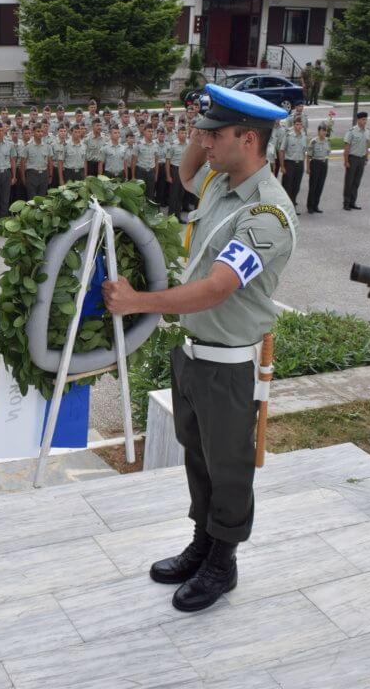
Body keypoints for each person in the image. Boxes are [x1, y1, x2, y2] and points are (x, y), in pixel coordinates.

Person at [102, 83, 296, 613]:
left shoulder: (267, 215)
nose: (204, 144)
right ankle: (203, 542)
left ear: (249, 139)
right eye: (203, 134)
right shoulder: (218, 183)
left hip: (230, 366)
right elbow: (188, 173)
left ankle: (223, 561)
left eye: (216, 135)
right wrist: (202, 118)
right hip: (194, 355)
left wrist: (138, 301)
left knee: (228, 466)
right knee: (200, 460)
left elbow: (217, 286)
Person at [278, 118, 308, 209]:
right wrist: (282, 166)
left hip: (299, 164)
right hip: (289, 163)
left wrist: (303, 163)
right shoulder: (288, 135)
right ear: (293, 125)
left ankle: (293, 204)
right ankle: (285, 206)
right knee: (287, 185)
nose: (298, 126)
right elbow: (281, 151)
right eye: (297, 124)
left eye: (300, 124)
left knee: (296, 186)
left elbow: (304, 151)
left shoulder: (303, 136)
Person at [343, 112, 370, 210]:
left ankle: (352, 202)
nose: (365, 121)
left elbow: (366, 145)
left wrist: (366, 157)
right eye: (363, 119)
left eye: (366, 119)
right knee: (349, 182)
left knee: (356, 182)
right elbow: (347, 147)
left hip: (361, 159)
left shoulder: (367, 131)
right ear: (358, 120)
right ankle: (346, 203)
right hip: (352, 158)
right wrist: (346, 161)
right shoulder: (351, 131)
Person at [304, 122, 332, 214]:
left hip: (324, 164)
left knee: (320, 185)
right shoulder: (314, 141)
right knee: (313, 186)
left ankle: (316, 205)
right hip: (315, 163)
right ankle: (310, 206)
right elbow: (308, 156)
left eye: (325, 131)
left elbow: (328, 153)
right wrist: (308, 168)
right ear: (318, 131)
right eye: (322, 130)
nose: (324, 132)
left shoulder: (328, 141)